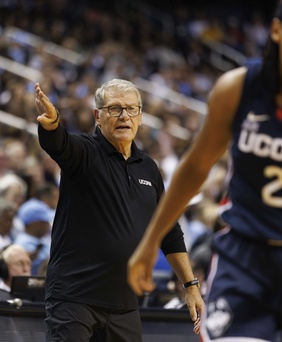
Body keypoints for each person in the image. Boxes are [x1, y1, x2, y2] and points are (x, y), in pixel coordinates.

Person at [128, 1, 282, 341]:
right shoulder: (237, 89)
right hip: (246, 256)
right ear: (277, 30)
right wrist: (150, 242)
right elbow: (195, 168)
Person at [35, 78, 204, 341]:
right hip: (75, 298)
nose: (124, 116)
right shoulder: (84, 153)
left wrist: (190, 285)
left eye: (131, 109)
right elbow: (59, 143)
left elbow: (168, 230)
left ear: (140, 116)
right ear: (97, 116)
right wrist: (52, 122)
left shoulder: (148, 167)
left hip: (125, 304)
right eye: (114, 109)